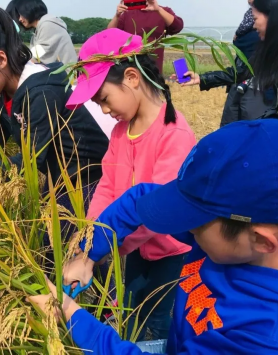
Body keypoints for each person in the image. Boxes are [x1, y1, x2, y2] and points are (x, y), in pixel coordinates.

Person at [31, 118, 278, 354]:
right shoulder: (229, 236)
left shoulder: (266, 337)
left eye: (194, 223)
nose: (187, 228)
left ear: (263, 240)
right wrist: (88, 254)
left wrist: (70, 315)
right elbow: (139, 200)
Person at [0, 5, 109, 258]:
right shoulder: (1, 96)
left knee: (58, 247)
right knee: (46, 241)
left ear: (0, 59)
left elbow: (33, 159)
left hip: (87, 176)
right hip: (60, 172)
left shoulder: (41, 91)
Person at [65, 28, 195, 339]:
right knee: (133, 310)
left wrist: (98, 251)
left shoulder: (173, 134)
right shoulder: (121, 133)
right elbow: (107, 186)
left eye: (105, 99)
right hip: (134, 248)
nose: (106, 110)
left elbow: (157, 213)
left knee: (156, 322)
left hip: (170, 254)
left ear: (132, 78)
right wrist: (89, 237)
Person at [179, 0, 278, 125]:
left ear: (273, 18)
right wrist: (201, 78)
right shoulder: (269, 48)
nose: (253, 26)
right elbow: (243, 71)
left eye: (255, 18)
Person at [107, 0, 184, 72]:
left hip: (154, 71)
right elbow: (109, 35)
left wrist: (158, 9)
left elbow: (177, 27)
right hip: (129, 68)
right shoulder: (127, 13)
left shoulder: (163, 11)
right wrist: (117, 15)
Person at [6, 0, 78, 65]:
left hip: (67, 75)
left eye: (22, 15)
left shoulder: (48, 24)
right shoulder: (37, 31)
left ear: (30, 10)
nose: (20, 19)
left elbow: (37, 55)